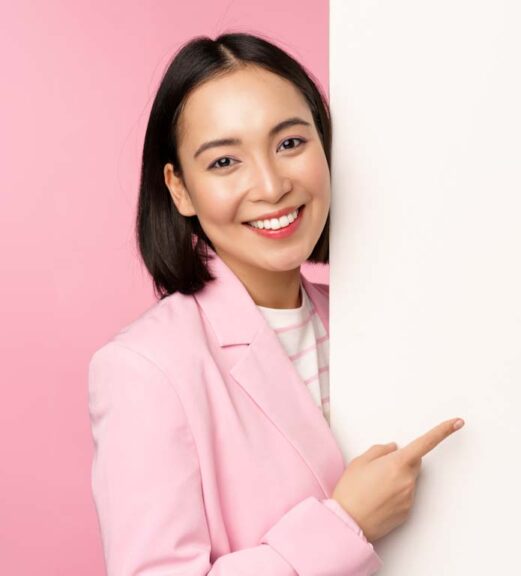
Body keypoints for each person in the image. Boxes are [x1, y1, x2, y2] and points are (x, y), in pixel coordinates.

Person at [87, 32, 464, 576]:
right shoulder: (143, 369)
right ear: (180, 188)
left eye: (290, 143)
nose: (270, 185)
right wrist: (346, 521)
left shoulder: (383, 317)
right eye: (223, 162)